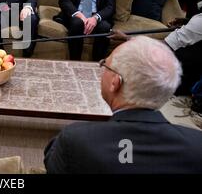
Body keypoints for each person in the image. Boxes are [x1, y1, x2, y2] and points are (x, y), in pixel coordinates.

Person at [44, 36, 202, 174]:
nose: (102, 71)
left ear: (115, 83)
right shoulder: (197, 145)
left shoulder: (75, 140)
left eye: (105, 65)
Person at [111, 0, 202, 96]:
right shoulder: (197, 13)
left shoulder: (199, 22)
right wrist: (186, 21)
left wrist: (127, 37)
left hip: (189, 71)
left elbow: (162, 46)